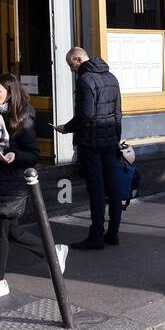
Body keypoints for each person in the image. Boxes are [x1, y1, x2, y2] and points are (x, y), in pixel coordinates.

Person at [0, 74, 67, 302]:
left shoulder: (23, 116)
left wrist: (15, 156)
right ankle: (53, 251)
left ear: (10, 92)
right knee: (11, 231)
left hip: (15, 182)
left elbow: (34, 154)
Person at [53, 47, 123, 249]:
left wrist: (66, 128)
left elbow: (86, 115)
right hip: (110, 141)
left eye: (71, 64)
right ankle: (114, 233)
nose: (71, 69)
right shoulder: (111, 77)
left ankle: (96, 236)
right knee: (114, 186)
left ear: (78, 59)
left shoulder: (85, 80)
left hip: (91, 143)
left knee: (97, 190)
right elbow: (118, 113)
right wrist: (116, 137)